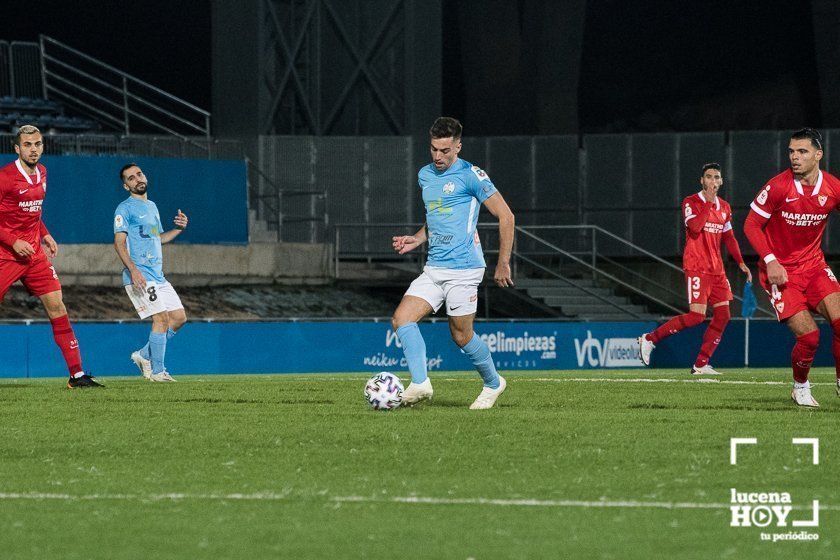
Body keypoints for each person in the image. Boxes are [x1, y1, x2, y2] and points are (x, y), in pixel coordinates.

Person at [391, 117, 515, 409]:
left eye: (445, 150)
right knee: (401, 319)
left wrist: (503, 262)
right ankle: (420, 383)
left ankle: (494, 383)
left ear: (457, 146)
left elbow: (506, 216)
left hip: (463, 269)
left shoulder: (472, 175)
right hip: (434, 268)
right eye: (434, 149)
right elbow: (437, 216)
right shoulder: (425, 175)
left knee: (461, 335)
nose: (438, 156)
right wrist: (417, 239)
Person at [744, 127, 840, 407]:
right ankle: (800, 386)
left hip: (814, 267)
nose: (794, 157)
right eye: (791, 151)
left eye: (802, 151)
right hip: (782, 273)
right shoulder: (778, 187)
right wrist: (771, 260)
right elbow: (751, 225)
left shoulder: (832, 187)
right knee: (810, 337)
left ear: (818, 154)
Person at [0, 125, 102, 388]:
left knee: (58, 306)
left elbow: (33, 213)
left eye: (37, 144)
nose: (33, 149)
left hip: (33, 256)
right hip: (5, 256)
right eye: (27, 145)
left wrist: (45, 234)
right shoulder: (5, 177)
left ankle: (77, 375)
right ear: (17, 148)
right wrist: (13, 241)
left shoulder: (43, 173)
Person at [639, 163, 751, 374]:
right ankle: (650, 339)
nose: (713, 181)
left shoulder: (725, 207)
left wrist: (741, 262)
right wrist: (708, 204)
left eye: (716, 177)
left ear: (721, 181)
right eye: (708, 177)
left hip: (717, 269)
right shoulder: (691, 202)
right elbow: (695, 227)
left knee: (723, 315)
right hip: (697, 266)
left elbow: (729, 237)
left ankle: (701, 363)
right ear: (702, 180)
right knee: (697, 316)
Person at [113, 163, 188, 382]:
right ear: (126, 186)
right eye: (131, 178)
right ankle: (158, 372)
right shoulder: (124, 209)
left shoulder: (152, 207)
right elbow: (119, 244)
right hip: (140, 275)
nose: (137, 179)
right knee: (161, 319)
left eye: (139, 174)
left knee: (179, 318)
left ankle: (144, 355)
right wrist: (134, 270)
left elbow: (158, 238)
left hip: (158, 275)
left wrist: (178, 229)